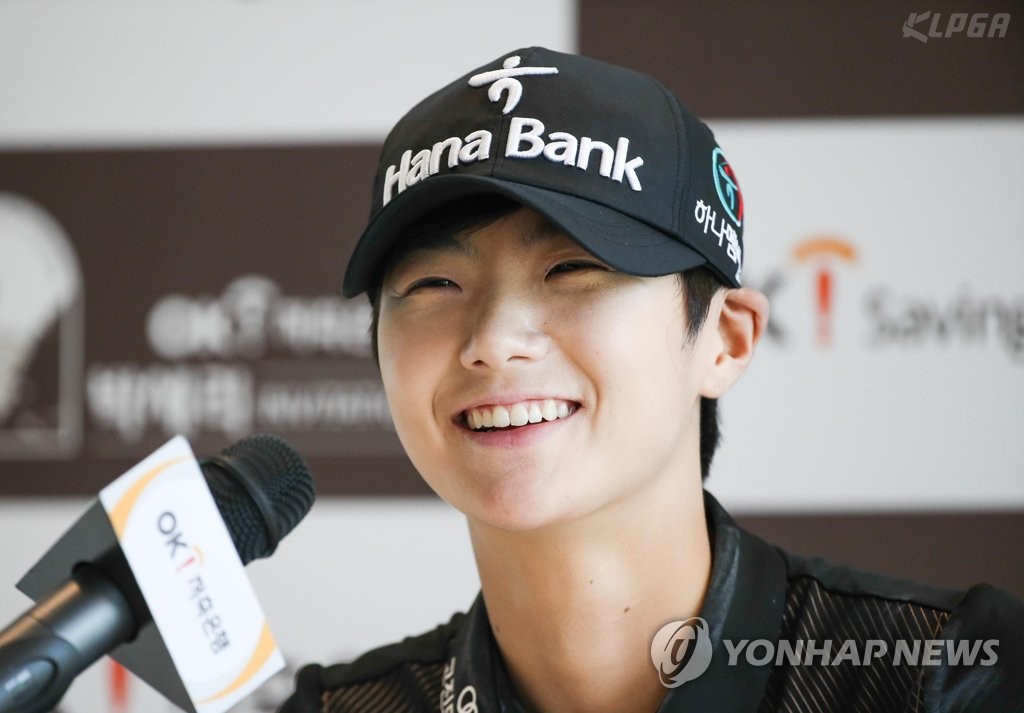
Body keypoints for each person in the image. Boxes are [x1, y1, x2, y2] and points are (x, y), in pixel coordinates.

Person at [280, 47, 1024, 713]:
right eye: (435, 284)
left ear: (725, 340)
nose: (494, 341)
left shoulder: (944, 676)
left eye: (572, 269)